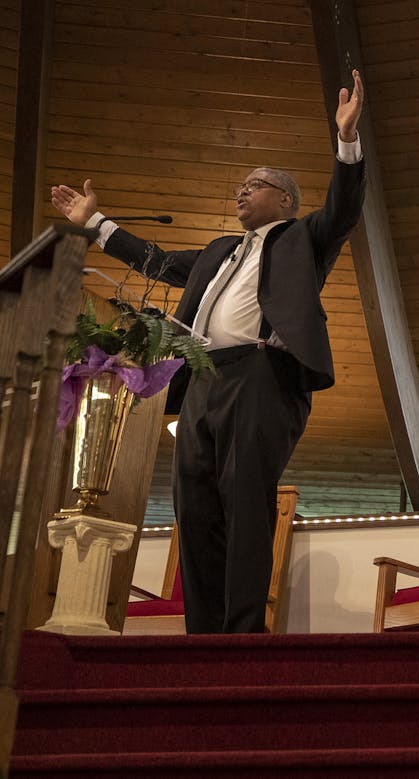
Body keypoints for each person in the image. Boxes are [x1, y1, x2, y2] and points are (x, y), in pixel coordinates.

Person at [50, 69, 367, 633]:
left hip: (263, 376)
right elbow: (154, 259)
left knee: (244, 501)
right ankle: (203, 634)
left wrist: (346, 142)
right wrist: (93, 223)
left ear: (285, 199)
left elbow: (343, 209)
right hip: (200, 378)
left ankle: (242, 636)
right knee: (194, 507)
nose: (242, 190)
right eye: (241, 184)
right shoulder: (220, 250)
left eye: (256, 183)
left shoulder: (302, 239)